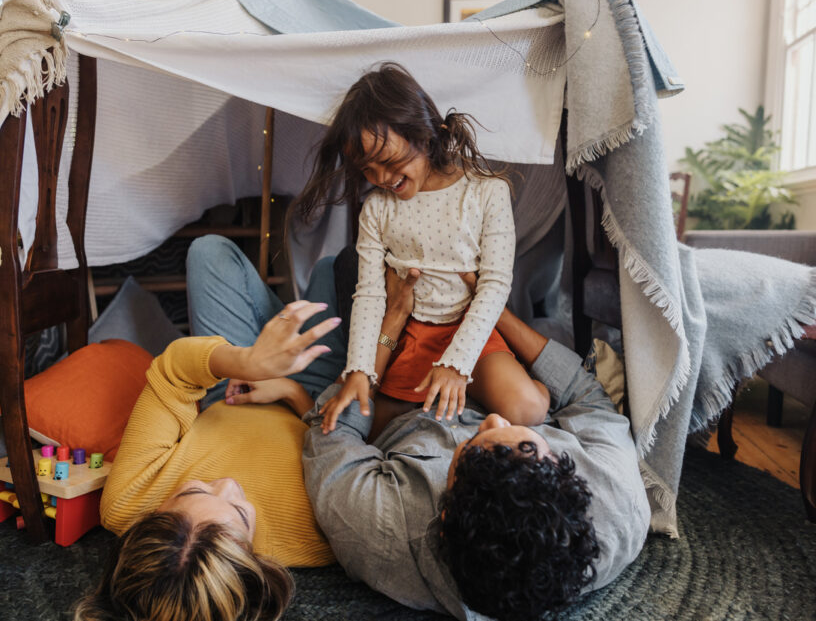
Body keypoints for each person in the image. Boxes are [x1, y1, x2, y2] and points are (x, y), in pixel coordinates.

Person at [301, 270, 651, 620]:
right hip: (488, 354)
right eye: (527, 439)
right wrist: (497, 310)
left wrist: (391, 321)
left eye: (471, 446)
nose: (495, 420)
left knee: (345, 267)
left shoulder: (381, 532)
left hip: (394, 376)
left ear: (444, 515)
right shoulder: (617, 503)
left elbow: (333, 429)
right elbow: (584, 391)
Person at [290, 62, 550, 434]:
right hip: (411, 334)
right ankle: (462, 394)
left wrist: (457, 363)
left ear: (428, 137)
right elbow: (368, 295)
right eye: (367, 169)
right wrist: (361, 368)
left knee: (526, 410)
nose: (381, 178)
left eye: (390, 161)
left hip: (469, 331)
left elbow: (494, 286)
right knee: (369, 427)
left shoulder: (486, 192)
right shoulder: (377, 208)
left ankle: (522, 384)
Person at [73, 295, 342, 621]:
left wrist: (250, 363)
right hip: (318, 396)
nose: (228, 483)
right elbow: (350, 439)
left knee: (209, 249)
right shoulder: (319, 538)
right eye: (242, 515)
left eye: (193, 490)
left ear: (152, 515)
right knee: (335, 269)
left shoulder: (127, 502)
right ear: (254, 562)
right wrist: (291, 391)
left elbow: (173, 373)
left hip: (230, 385)